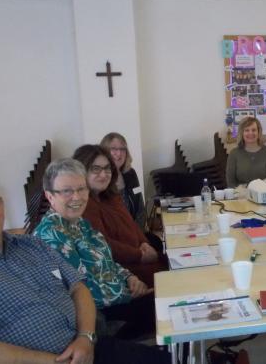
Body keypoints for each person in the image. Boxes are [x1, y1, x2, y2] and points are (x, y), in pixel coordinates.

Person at [0, 172, 170, 363]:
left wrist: (85, 338)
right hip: (47, 361)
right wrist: (56, 361)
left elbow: (78, 289)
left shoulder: (31, 245)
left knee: (179, 358)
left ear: (2, 205)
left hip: (88, 346)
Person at [35, 158, 156, 340]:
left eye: (81, 189)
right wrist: (131, 294)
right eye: (67, 191)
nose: (76, 197)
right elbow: (82, 289)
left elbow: (107, 261)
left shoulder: (80, 223)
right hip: (101, 317)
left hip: (121, 299)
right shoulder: (51, 235)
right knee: (175, 306)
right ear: (50, 196)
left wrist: (130, 277)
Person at [74, 144, 167, 287]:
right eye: (96, 169)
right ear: (81, 171)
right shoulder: (85, 205)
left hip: (139, 258)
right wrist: (140, 255)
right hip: (125, 270)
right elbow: (103, 244)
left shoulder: (110, 196)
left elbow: (132, 224)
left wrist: (144, 243)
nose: (104, 174)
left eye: (107, 168)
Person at [100, 132, 146, 229]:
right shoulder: (100, 179)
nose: (119, 153)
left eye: (122, 149)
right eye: (113, 149)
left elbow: (140, 208)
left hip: (135, 231)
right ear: (104, 151)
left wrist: (139, 236)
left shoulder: (130, 173)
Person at [226, 117, 266, 187]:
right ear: (242, 133)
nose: (250, 133)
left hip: (263, 194)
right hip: (240, 195)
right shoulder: (234, 154)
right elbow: (230, 183)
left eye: (254, 130)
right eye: (246, 130)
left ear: (258, 132)